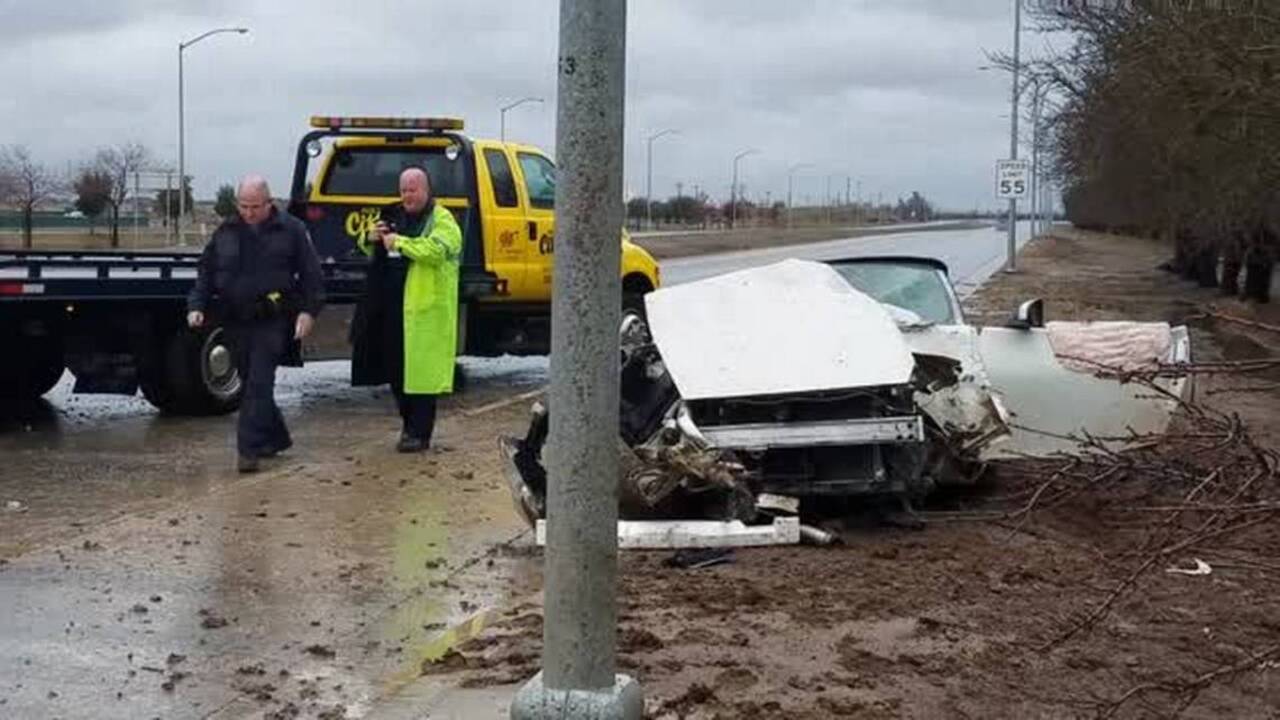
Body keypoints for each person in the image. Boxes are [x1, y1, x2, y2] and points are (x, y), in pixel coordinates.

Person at [187, 175, 325, 473]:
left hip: (272, 319)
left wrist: (308, 312)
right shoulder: (226, 231)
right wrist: (196, 305)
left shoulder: (292, 230)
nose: (248, 213)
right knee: (251, 382)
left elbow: (312, 276)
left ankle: (247, 451)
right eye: (243, 206)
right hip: (234, 319)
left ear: (269, 203)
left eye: (255, 207)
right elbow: (206, 271)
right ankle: (275, 438)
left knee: (259, 383)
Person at [350, 166, 462, 452]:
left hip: (425, 311)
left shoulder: (443, 219)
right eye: (403, 191)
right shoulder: (392, 215)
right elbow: (370, 249)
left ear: (426, 190)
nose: (407, 196)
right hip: (391, 307)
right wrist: (370, 238)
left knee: (422, 378)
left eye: (413, 190)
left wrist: (400, 242)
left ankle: (419, 434)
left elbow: (437, 251)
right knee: (397, 372)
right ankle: (407, 425)